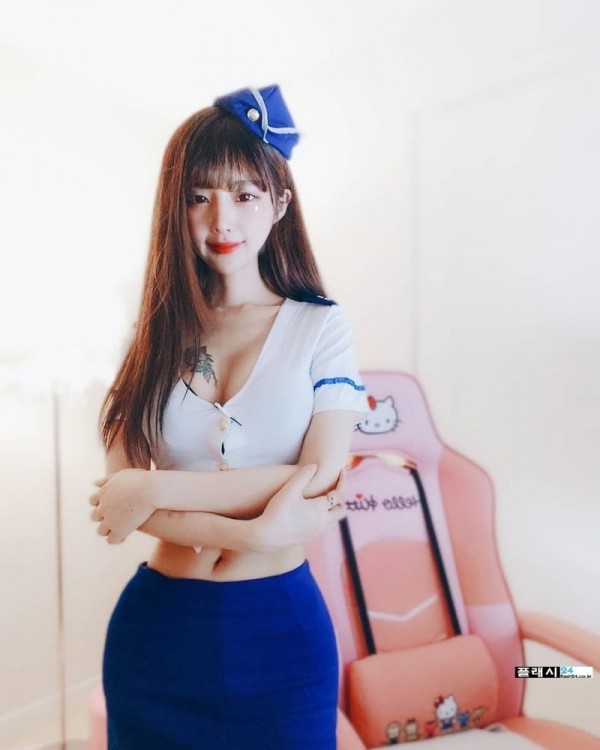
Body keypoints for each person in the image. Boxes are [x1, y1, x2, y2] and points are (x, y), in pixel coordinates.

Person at [90, 84, 369, 750]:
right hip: (158, 633)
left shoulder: (320, 328)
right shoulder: (150, 335)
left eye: (244, 195)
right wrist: (254, 530)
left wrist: (156, 486)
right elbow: (121, 503)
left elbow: (319, 476)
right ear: (176, 208)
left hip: (281, 636)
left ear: (280, 203)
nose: (222, 220)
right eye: (199, 196)